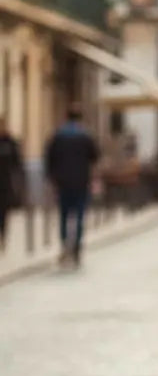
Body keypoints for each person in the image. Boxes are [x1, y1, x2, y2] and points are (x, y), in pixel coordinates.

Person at [44, 105, 99, 267]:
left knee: (64, 214)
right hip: (82, 182)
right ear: (80, 118)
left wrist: (52, 178)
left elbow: (49, 159)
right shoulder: (85, 136)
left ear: (66, 117)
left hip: (62, 182)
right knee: (80, 215)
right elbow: (95, 157)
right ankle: (77, 248)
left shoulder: (58, 136)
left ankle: (64, 246)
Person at [0, 117, 24, 249]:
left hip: (5, 184)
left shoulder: (10, 143)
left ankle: (3, 236)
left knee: (3, 212)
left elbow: (17, 163)